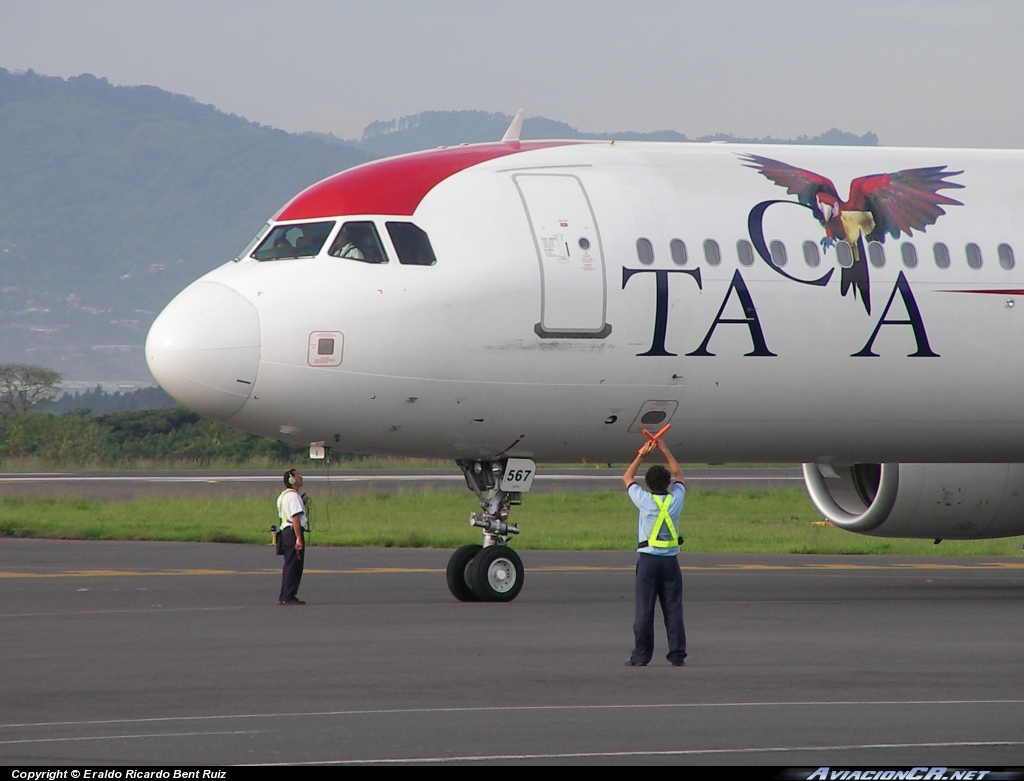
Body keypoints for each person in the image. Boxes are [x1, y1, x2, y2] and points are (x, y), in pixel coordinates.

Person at [622, 437, 687, 666]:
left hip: (648, 561)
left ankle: (641, 655)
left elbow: (627, 478)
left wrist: (642, 455)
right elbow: (679, 475)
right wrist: (665, 449)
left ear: (648, 484)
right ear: (667, 483)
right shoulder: (675, 500)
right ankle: (677, 654)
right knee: (673, 610)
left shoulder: (645, 501)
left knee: (644, 611)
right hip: (670, 562)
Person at [277, 469, 308, 605]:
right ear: (292, 480)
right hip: (292, 532)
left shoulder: (284, 495)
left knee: (290, 564)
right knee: (294, 565)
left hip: (285, 532)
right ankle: (288, 595)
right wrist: (299, 538)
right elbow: (295, 518)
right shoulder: (294, 496)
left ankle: (286, 594)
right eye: (297, 476)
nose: (300, 477)